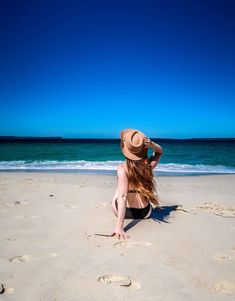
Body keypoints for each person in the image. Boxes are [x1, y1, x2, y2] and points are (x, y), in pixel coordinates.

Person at [111, 128, 163, 239]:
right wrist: (151, 144)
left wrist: (119, 226)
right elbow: (159, 152)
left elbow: (123, 196)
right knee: (131, 187)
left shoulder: (122, 168)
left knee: (120, 190)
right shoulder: (148, 166)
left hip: (124, 212)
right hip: (144, 213)